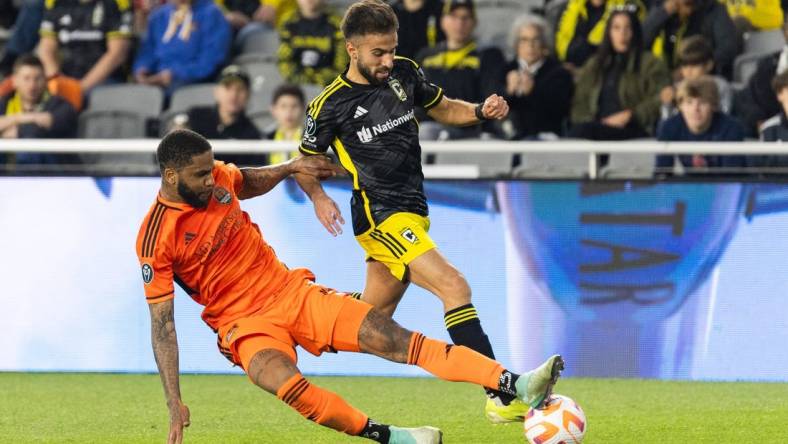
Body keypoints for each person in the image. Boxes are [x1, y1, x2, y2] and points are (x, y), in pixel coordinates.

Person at [137, 128, 564, 444]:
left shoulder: (220, 180)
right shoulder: (156, 238)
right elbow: (163, 327)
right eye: (200, 175)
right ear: (171, 176)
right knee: (282, 382)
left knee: (390, 337)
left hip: (291, 293)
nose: (211, 180)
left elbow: (245, 180)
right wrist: (174, 400)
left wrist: (288, 168)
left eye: (212, 170)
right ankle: (392, 437)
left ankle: (517, 385)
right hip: (242, 324)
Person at [294, 0, 528, 424]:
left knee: (373, 316)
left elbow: (440, 106)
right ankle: (500, 392)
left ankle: (305, 316)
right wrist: (318, 197)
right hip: (380, 217)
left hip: (414, 210)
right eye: (377, 53)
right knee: (454, 287)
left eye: (391, 49)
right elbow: (304, 162)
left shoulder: (404, 71)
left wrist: (478, 111)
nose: (387, 61)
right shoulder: (329, 105)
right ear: (352, 49)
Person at [569, 9, 669, 141]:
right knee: (581, 131)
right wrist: (594, 121)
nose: (622, 33)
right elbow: (580, 102)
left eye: (628, 28)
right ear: (609, 32)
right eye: (616, 28)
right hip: (596, 128)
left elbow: (662, 97)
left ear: (635, 32)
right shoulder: (595, 64)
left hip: (633, 129)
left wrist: (631, 115)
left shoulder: (650, 63)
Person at [415, 0, 506, 140]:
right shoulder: (426, 56)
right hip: (432, 126)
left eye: (465, 17)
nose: (460, 23)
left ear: (474, 22)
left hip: (473, 127)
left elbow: (491, 95)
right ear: (443, 21)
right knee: (424, 132)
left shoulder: (488, 55)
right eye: (454, 16)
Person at [133, 0, 231, 95]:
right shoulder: (158, 17)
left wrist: (175, 74)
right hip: (158, 80)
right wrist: (141, 70)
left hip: (194, 83)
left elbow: (210, 61)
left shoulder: (212, 14)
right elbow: (148, 52)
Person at [174, 65, 264, 166]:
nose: (233, 94)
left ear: (248, 95)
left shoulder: (252, 135)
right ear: (216, 92)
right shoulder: (195, 117)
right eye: (227, 88)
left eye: (240, 89)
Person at [37, 0, 133, 94]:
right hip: (66, 76)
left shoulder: (118, 2)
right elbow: (46, 49)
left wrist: (80, 88)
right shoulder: (55, 2)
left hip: (105, 79)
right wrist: (56, 80)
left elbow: (117, 53)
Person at [503, 13, 573, 139]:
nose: (530, 45)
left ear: (544, 44)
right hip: (507, 137)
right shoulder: (504, 69)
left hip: (544, 137)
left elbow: (559, 111)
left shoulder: (559, 73)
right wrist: (508, 92)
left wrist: (533, 91)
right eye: (524, 40)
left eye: (536, 39)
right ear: (516, 45)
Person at [655, 76, 746, 175]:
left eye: (702, 102)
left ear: (714, 105)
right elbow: (661, 174)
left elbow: (732, 178)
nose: (695, 109)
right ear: (680, 106)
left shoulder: (731, 128)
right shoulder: (668, 127)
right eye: (689, 102)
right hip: (691, 186)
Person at [0, 55, 78, 168]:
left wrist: (16, 130)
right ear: (14, 81)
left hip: (53, 173)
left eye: (37, 78)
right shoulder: (6, 102)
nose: (32, 85)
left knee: (30, 141)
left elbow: (47, 123)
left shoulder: (61, 105)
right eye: (26, 78)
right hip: (7, 172)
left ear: (46, 80)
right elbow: (39, 122)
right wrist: (23, 118)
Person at [643, 0, 737, 79]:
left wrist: (694, 67)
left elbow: (728, 48)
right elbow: (640, 42)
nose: (688, 11)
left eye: (690, 5)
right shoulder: (662, 10)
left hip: (703, 78)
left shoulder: (713, 10)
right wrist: (663, 12)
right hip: (663, 78)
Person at [553, 0, 645, 72]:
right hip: (568, 68)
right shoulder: (569, 7)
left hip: (608, 70)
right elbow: (560, 45)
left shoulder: (627, 6)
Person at [659, 35, 733, 120]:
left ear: (709, 65)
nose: (688, 71)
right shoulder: (677, 88)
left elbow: (725, 116)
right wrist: (667, 104)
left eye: (694, 65)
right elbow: (667, 123)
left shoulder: (721, 86)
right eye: (685, 65)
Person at [277, 0, 348, 86]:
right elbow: (284, 61)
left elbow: (341, 65)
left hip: (329, 87)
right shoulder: (288, 22)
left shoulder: (338, 24)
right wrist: (301, 80)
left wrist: (319, 79)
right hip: (295, 86)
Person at [265, 83, 306, 163]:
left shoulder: (314, 139)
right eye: (283, 106)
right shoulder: (265, 138)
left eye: (294, 106)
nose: (289, 112)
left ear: (303, 108)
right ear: (273, 109)